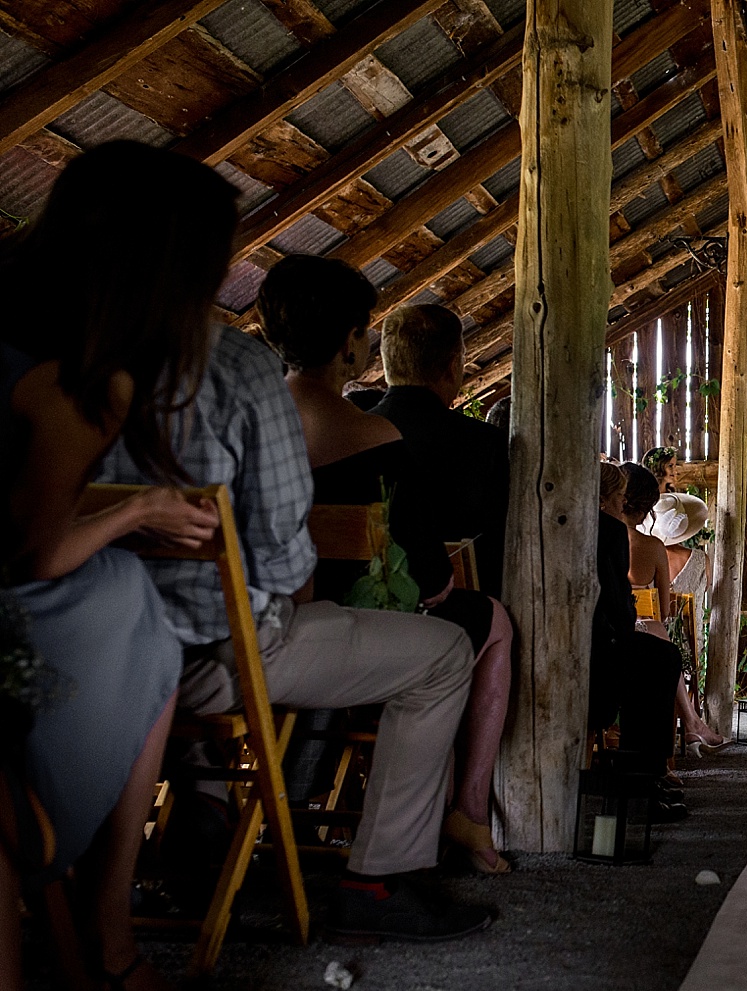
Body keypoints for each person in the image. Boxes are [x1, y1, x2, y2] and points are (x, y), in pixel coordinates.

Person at [98, 315, 493, 941]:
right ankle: (377, 878)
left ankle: (200, 793)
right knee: (444, 650)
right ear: (352, 346)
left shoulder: (71, 357)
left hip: (108, 656)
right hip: (221, 657)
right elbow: (289, 560)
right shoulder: (240, 369)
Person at [0, 143, 237, 991]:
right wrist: (140, 505)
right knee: (139, 611)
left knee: (125, 597)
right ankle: (106, 925)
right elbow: (36, 548)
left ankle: (102, 930)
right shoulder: (75, 383)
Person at [256, 255, 516, 874]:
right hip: (335, 626)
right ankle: (467, 811)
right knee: (488, 622)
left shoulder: (254, 424)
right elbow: (428, 578)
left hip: (248, 623)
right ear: (350, 342)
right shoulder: (370, 438)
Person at [370, 305, 510, 597]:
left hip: (369, 604)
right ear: (453, 365)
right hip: (464, 608)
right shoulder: (484, 444)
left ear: (386, 364)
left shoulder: (358, 435)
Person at [591, 463, 687, 805]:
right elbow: (621, 609)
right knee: (662, 658)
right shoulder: (610, 532)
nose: (622, 504)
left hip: (588, 638)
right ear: (604, 500)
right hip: (599, 645)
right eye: (618, 497)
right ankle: (646, 774)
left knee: (654, 656)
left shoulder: (582, 528)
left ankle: (650, 770)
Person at [620, 463, 724, 751]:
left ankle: (692, 726)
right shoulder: (651, 547)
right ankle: (691, 724)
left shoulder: (600, 538)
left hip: (607, 633)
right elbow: (664, 610)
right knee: (663, 645)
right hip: (641, 635)